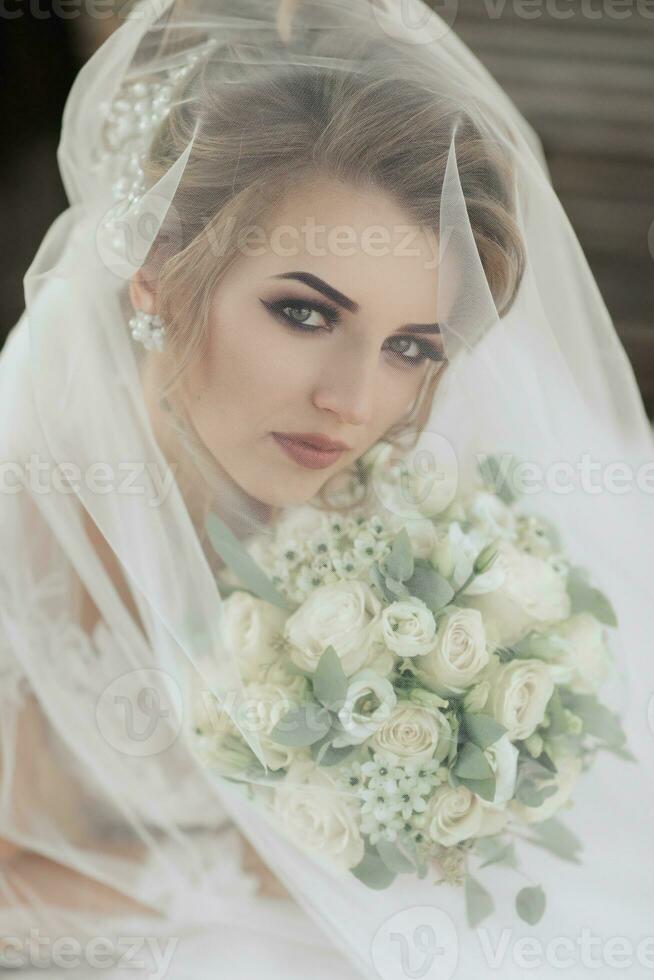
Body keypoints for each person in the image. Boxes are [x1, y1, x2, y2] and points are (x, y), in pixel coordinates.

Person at [1, 0, 653, 977]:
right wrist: (227, 909)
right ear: (156, 266)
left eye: (409, 347)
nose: (352, 403)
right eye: (304, 311)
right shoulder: (30, 463)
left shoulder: (433, 527)